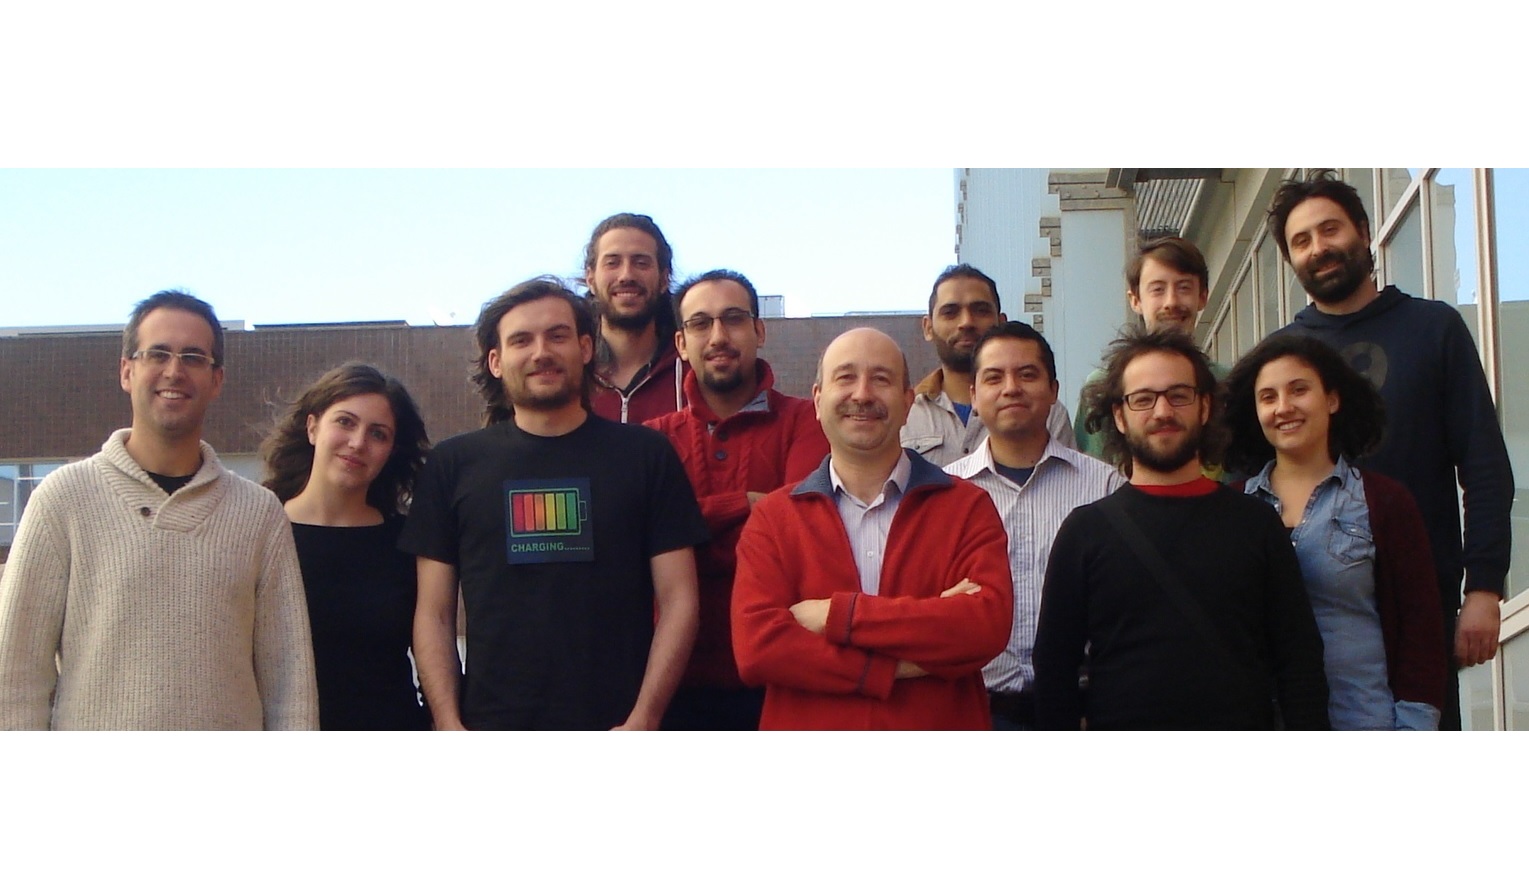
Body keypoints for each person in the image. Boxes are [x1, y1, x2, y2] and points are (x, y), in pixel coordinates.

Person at [0, 289, 317, 730]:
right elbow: (14, 677)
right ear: (127, 371)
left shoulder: (258, 514)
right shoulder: (62, 500)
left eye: (193, 357)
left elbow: (289, 682)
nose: (174, 370)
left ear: (216, 379)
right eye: (158, 354)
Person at [401, 277, 706, 730]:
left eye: (557, 336)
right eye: (521, 340)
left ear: (585, 348)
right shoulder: (452, 465)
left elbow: (679, 599)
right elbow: (434, 613)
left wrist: (644, 718)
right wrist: (448, 724)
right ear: (496, 361)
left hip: (619, 728)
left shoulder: (646, 455)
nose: (541, 352)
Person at [1268, 169, 1513, 730]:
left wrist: (1483, 587)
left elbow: (1484, 466)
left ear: (1362, 230)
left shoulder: (1434, 328)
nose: (1318, 248)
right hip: (1308, 615)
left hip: (1421, 611)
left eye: (1329, 229)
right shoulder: (1279, 358)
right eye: (1301, 241)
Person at [1033, 327, 1328, 729]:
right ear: (1119, 416)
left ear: (1205, 407)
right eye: (1143, 399)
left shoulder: (1256, 524)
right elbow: (1055, 671)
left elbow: (1300, 662)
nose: (1162, 412)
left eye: (1178, 395)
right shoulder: (1085, 532)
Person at [731, 327, 1014, 730]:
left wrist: (836, 614)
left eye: (881, 379)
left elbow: (984, 627)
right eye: (845, 377)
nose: (862, 394)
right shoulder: (774, 519)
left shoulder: (966, 507)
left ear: (907, 402)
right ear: (817, 401)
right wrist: (895, 665)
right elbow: (758, 649)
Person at [1224, 335, 1446, 729]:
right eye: (1268, 397)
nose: (1283, 407)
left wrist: (1414, 727)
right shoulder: (1230, 508)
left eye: (1299, 390)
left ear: (1332, 399)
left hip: (1365, 722)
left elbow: (1421, 628)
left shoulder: (1383, 501)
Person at [645, 269, 830, 730]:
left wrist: (684, 536)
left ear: (759, 331)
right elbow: (639, 547)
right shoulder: (653, 440)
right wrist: (744, 504)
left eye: (733, 319)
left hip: (780, 677)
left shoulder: (807, 421)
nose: (718, 336)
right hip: (673, 685)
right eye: (700, 323)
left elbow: (799, 532)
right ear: (681, 343)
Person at [944, 322, 1124, 729]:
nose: (1011, 388)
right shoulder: (944, 493)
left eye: (1027, 374)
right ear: (974, 395)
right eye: (994, 377)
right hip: (977, 713)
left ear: (1053, 390)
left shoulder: (1105, 487)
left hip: (1082, 711)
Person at [262, 361, 432, 730]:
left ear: (391, 450)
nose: (358, 443)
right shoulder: (260, 532)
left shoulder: (408, 542)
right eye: (345, 422)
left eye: (378, 434)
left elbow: (433, 651)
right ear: (312, 427)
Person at [902, 263, 1075, 466]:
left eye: (981, 311)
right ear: (928, 327)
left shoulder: (1046, 411)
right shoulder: (905, 415)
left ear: (1001, 322)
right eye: (950, 312)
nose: (966, 322)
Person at [1074, 237, 1229, 461]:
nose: (1171, 302)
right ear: (1135, 300)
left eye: (1184, 288)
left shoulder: (1228, 383)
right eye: (1158, 289)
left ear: (1202, 297)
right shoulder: (1102, 387)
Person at [582, 212, 686, 423]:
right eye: (612, 263)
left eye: (641, 263)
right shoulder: (569, 372)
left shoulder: (693, 370)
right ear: (590, 279)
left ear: (664, 279)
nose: (626, 275)